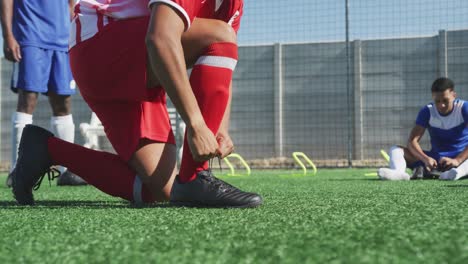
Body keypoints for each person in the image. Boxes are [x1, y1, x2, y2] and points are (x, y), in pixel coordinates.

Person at [11, 0, 263, 207]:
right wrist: (196, 125)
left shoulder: (234, 6)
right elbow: (161, 39)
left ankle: (47, 148)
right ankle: (196, 177)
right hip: (101, 46)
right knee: (220, 35)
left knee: (162, 190)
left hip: (137, 65)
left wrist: (220, 129)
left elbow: (222, 61)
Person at [0, 0, 86, 187]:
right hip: (30, 35)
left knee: (63, 102)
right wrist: (8, 35)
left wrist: (70, 25)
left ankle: (66, 170)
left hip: (62, 39)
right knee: (28, 99)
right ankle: (17, 171)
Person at [378, 77, 468, 181]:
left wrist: (457, 160)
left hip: (461, 159)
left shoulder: (464, 108)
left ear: (454, 95)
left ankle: (456, 173)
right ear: (432, 97)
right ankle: (399, 173)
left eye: (445, 101)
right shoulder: (427, 111)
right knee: (396, 149)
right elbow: (412, 142)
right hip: (436, 159)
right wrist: (425, 159)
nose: (441, 105)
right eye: (437, 101)